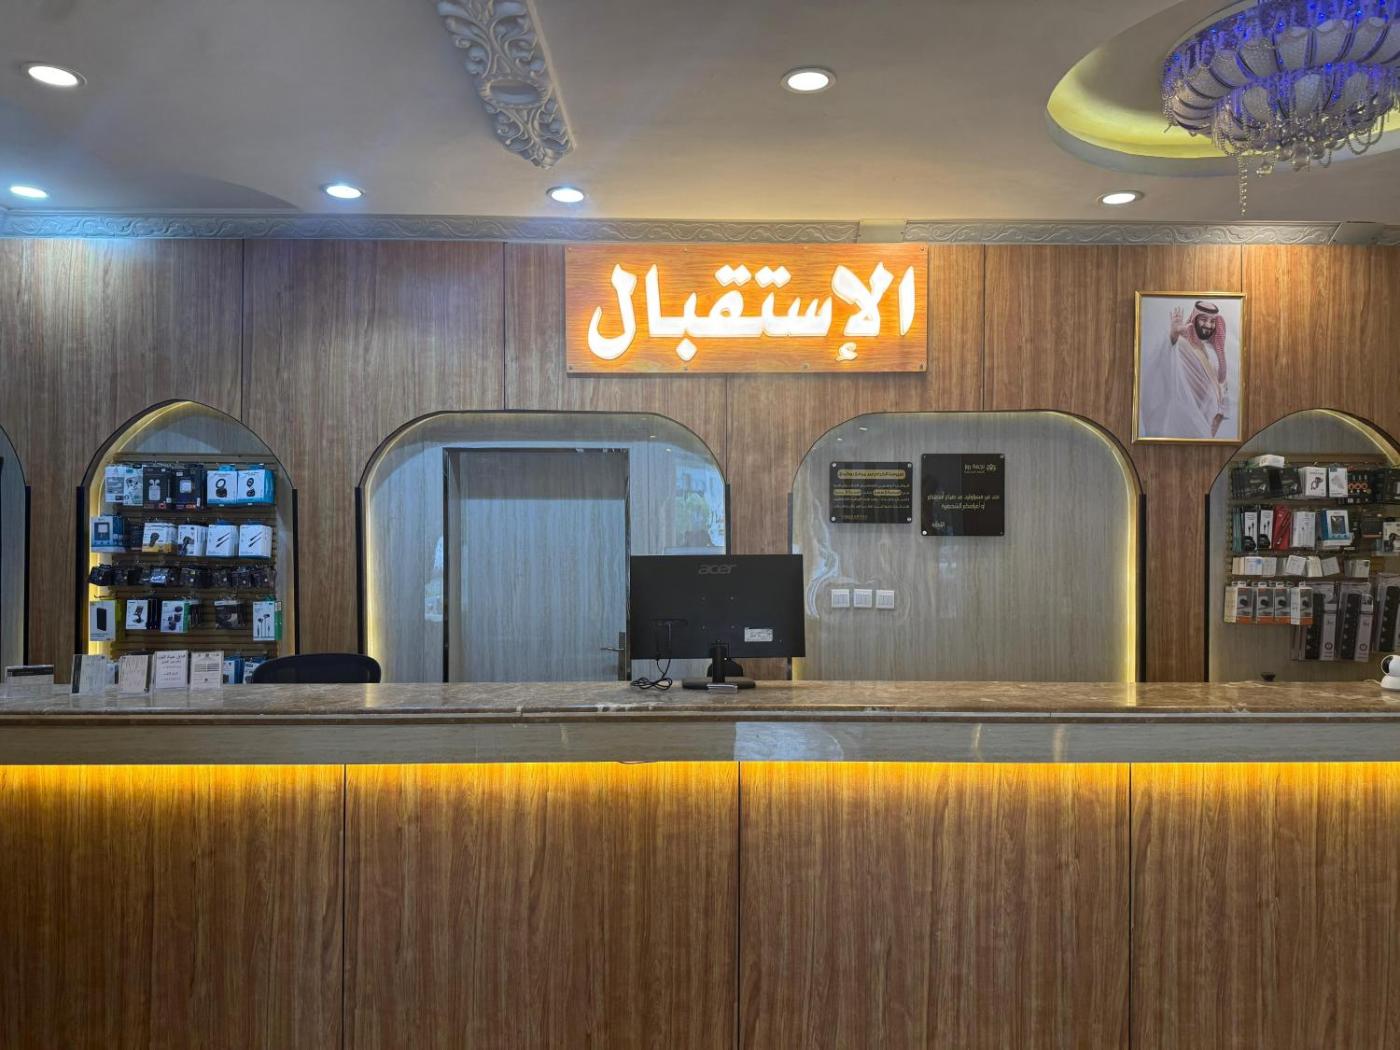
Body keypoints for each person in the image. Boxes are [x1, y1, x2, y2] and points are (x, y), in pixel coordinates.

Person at [1140, 300, 1233, 439]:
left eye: (1212, 321)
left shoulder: (1210, 353)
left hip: (1205, 429)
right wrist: (1172, 336)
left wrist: (1218, 416)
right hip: (1183, 425)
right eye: (1204, 320)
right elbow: (1163, 362)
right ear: (1194, 319)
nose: (1208, 325)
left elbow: (1221, 388)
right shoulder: (1181, 345)